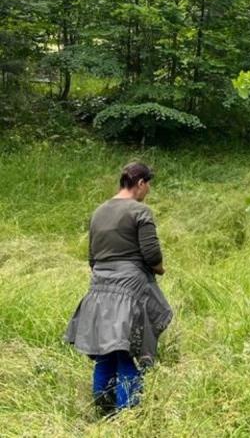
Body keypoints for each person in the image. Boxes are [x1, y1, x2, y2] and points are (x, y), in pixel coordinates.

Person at [65, 162, 172, 416]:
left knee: (105, 354)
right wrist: (158, 268)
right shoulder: (140, 211)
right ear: (141, 184)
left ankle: (103, 413)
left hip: (99, 287)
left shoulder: (99, 211)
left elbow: (92, 258)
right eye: (148, 186)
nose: (148, 192)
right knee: (126, 354)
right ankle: (127, 418)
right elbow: (151, 253)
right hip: (130, 290)